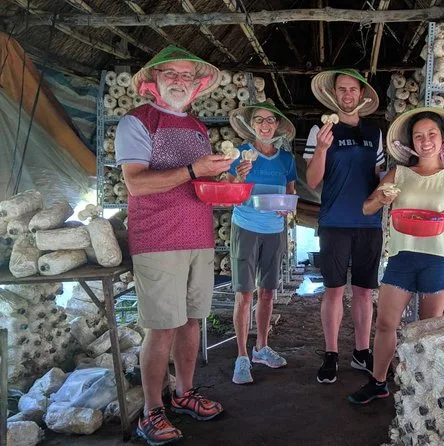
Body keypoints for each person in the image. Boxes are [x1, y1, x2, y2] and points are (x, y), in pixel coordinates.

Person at [115, 45, 230, 445]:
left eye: (187, 75)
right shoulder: (137, 121)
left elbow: (199, 184)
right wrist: (194, 169)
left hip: (199, 236)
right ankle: (151, 411)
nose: (179, 81)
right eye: (171, 74)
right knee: (162, 326)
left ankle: (184, 393)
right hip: (158, 239)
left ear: (197, 84)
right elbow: (136, 184)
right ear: (155, 80)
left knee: (191, 320)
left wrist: (225, 178)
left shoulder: (197, 127)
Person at [347, 107, 444, 404]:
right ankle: (378, 382)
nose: (425, 141)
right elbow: (367, 208)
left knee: (429, 328)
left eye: (432, 134)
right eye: (418, 136)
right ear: (411, 142)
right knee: (386, 324)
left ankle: (425, 390)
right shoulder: (399, 174)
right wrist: (381, 197)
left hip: (438, 258)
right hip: (402, 256)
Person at [304, 69, 385, 384]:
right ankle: (331, 354)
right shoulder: (320, 131)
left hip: (369, 222)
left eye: (353, 89)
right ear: (333, 94)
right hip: (335, 221)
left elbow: (378, 177)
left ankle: (362, 352)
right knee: (334, 290)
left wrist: (390, 189)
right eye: (342, 89)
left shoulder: (374, 133)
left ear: (362, 95)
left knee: (364, 292)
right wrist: (322, 149)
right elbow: (312, 181)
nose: (347, 95)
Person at [226, 101, 297, 384]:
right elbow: (229, 192)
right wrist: (238, 178)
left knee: (267, 292)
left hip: (274, 230)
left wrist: (287, 207)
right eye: (259, 120)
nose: (265, 125)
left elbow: (290, 192)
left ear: (277, 125)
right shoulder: (240, 154)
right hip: (245, 226)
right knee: (244, 294)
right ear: (251, 124)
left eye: (270, 120)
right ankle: (242, 356)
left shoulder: (286, 160)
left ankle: (261, 348)